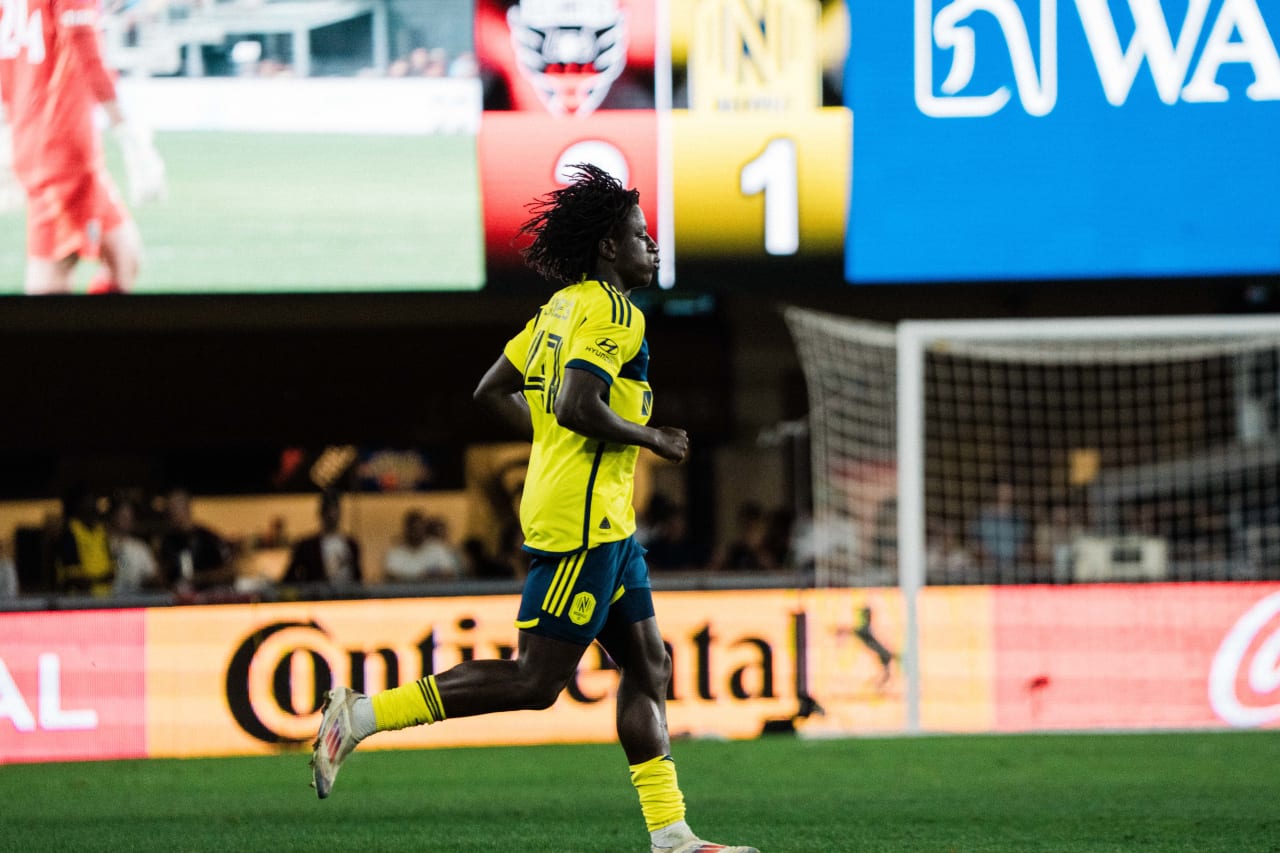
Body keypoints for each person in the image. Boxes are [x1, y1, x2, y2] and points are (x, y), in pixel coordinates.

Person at [310, 164, 758, 853]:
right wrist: (652, 438)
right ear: (609, 248)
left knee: (650, 665)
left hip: (607, 521)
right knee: (534, 681)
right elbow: (578, 404)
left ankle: (672, 835)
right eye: (641, 235)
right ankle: (361, 714)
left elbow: (493, 388)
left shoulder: (559, 309)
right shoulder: (612, 311)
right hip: (582, 525)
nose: (652, 246)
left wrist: (550, 438)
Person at [0, 0, 166, 294]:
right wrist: (126, 131)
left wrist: (10, 132)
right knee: (52, 278)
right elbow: (86, 51)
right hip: (60, 148)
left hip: (45, 140)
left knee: (124, 260)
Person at [156, 487, 236, 593]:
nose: (171, 513)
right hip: (179, 600)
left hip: (210, 598)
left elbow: (230, 571)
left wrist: (201, 578)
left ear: (186, 508)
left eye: (174, 508)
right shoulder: (167, 542)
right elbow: (162, 574)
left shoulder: (208, 538)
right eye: (169, 509)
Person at [282, 490, 363, 587]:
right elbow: (290, 578)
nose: (331, 515)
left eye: (334, 510)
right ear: (321, 513)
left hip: (346, 597)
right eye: (328, 510)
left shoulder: (351, 544)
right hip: (318, 598)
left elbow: (358, 578)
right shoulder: (307, 546)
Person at [53, 485, 114, 596]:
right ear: (77, 505)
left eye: (93, 501)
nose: (93, 506)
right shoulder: (69, 532)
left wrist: (106, 577)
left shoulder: (100, 531)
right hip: (79, 602)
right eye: (87, 501)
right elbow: (73, 577)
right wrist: (99, 579)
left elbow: (111, 570)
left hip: (105, 599)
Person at [383, 510, 464, 583]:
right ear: (406, 530)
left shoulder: (437, 548)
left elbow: (449, 573)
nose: (416, 532)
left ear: (424, 529)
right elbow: (390, 576)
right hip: (402, 596)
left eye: (419, 527)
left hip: (433, 595)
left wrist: (431, 575)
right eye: (413, 528)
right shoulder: (395, 552)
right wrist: (419, 578)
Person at [107, 497, 160, 596]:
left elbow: (153, 576)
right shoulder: (104, 543)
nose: (126, 520)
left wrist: (149, 581)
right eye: (122, 516)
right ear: (114, 516)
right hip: (105, 602)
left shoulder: (141, 548)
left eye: (129, 516)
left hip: (134, 602)